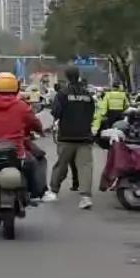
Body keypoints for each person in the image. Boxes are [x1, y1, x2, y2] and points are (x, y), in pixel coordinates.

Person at [44, 65, 95, 209]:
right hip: (85, 136)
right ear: (78, 76)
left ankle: (53, 192)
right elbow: (92, 113)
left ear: (66, 77)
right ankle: (85, 197)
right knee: (85, 167)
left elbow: (56, 112)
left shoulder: (62, 94)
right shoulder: (88, 94)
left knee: (61, 164)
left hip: (67, 136)